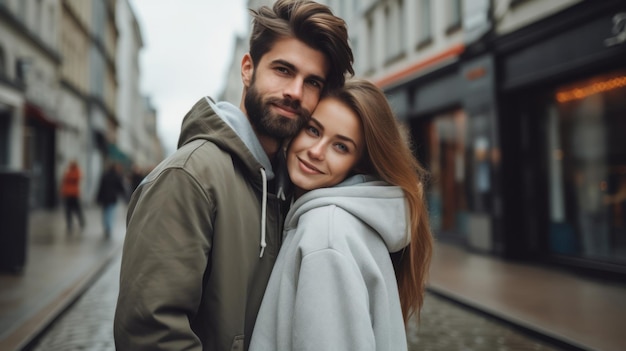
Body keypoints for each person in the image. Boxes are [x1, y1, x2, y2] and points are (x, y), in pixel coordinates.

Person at [113, 0, 353, 350]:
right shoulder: (189, 176)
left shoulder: (286, 186)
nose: (295, 92)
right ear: (247, 68)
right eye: (283, 70)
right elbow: (151, 336)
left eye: (312, 81)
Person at [249, 79, 433, 351]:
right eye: (313, 130)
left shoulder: (326, 235)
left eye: (341, 147)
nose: (316, 151)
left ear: (357, 164)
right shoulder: (341, 224)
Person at [96, 161, 127, 238]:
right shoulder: (116, 176)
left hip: (104, 197)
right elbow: (120, 187)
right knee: (110, 212)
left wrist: (98, 197)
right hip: (112, 198)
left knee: (105, 212)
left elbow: (100, 187)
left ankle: (106, 226)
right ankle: (108, 227)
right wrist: (124, 195)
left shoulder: (105, 175)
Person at [60, 160, 85, 233]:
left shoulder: (75, 171)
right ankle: (69, 224)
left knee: (77, 209)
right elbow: (64, 181)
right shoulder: (69, 171)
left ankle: (81, 221)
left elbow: (78, 177)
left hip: (74, 194)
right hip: (68, 194)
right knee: (68, 210)